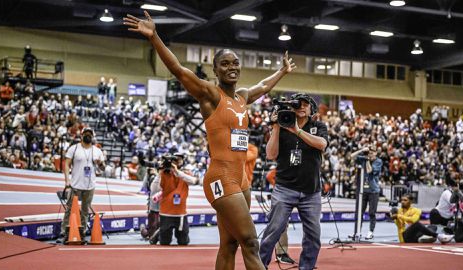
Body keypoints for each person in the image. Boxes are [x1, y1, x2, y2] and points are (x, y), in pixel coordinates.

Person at [124, 11, 295, 269]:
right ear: (215, 70)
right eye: (225, 64)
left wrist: (281, 72)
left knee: (230, 244)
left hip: (241, 179)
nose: (232, 67)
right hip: (220, 178)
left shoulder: (241, 97)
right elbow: (179, 71)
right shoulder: (210, 95)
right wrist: (155, 36)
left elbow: (263, 86)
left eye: (235, 63)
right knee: (250, 241)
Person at [259, 93, 327, 270]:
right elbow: (271, 155)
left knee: (313, 235)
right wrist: (275, 127)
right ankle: (258, 266)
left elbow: (321, 144)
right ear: (291, 107)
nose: (301, 107)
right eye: (298, 104)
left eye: (305, 104)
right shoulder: (281, 126)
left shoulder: (318, 126)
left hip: (311, 192)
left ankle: (306, 267)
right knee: (273, 231)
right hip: (284, 188)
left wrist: (297, 131)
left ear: (311, 108)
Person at [61, 127, 105, 242]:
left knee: (85, 211)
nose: (88, 135)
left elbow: (103, 168)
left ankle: (82, 231)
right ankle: (64, 231)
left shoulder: (97, 151)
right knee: (69, 209)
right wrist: (67, 180)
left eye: (90, 134)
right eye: (86, 133)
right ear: (81, 135)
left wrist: (100, 163)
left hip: (90, 185)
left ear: (93, 137)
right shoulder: (74, 148)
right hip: (75, 184)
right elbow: (66, 164)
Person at [153, 154, 198, 245]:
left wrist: (177, 172)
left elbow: (194, 181)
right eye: (174, 160)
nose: (177, 162)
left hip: (180, 213)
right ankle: (158, 234)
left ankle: (160, 232)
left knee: (183, 242)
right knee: (165, 242)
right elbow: (155, 189)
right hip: (166, 211)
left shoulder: (185, 174)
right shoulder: (164, 174)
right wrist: (159, 173)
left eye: (179, 160)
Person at [361, 146, 383, 240]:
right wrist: (361, 151)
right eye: (369, 152)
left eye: (373, 152)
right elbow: (351, 157)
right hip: (363, 190)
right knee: (360, 212)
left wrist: (367, 161)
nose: (371, 153)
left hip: (374, 191)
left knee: (372, 212)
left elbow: (370, 171)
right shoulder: (365, 158)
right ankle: (357, 231)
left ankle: (370, 232)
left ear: (376, 153)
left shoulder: (378, 161)